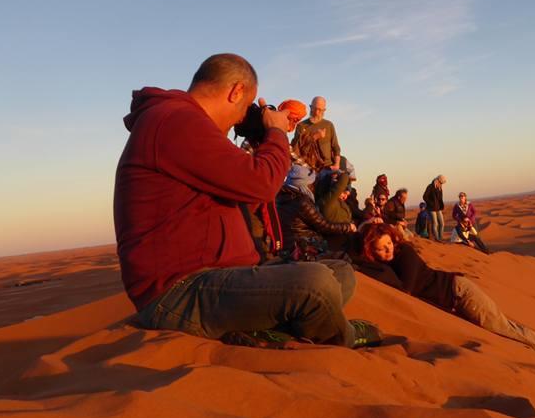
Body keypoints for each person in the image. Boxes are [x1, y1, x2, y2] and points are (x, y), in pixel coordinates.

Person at [113, 53, 380, 348]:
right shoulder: (175, 121)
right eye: (243, 109)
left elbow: (249, 194)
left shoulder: (184, 124)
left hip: (225, 276)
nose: (241, 118)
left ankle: (267, 330)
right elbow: (262, 184)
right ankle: (344, 337)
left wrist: (260, 140)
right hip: (179, 291)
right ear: (236, 91)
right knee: (316, 285)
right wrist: (276, 131)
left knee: (340, 273)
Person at [356, 224, 535, 365]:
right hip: (455, 299)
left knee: (505, 329)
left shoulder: (405, 254)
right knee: (504, 329)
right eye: (381, 249)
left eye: (388, 244)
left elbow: (405, 288)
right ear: (371, 252)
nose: (388, 250)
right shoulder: (392, 262)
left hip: (461, 293)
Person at [276, 162, 357, 262]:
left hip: (291, 245)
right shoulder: (302, 202)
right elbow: (323, 226)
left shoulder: (282, 198)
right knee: (343, 258)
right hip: (306, 245)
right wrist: (348, 227)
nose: (313, 186)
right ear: (305, 184)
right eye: (311, 184)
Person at [291, 96, 340, 170]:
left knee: (344, 176)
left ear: (324, 110)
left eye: (320, 110)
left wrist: (336, 165)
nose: (317, 112)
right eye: (315, 109)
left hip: (328, 167)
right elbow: (296, 150)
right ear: (310, 107)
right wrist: (315, 137)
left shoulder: (328, 125)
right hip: (307, 168)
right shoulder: (301, 126)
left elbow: (335, 147)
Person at [423, 175, 447, 242]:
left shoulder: (439, 188)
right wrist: (431, 203)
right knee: (435, 223)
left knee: (442, 223)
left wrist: (441, 205)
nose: (441, 184)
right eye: (441, 182)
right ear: (438, 180)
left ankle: (440, 237)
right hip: (431, 208)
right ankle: (437, 239)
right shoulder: (430, 186)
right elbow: (424, 197)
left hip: (438, 208)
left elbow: (440, 198)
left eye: (442, 183)